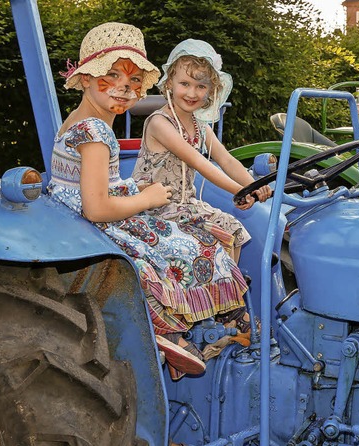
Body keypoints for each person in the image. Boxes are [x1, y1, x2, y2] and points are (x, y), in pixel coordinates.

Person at [47, 23, 249, 381]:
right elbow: (96, 208)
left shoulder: (90, 123)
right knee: (179, 248)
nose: (125, 89)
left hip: (99, 207)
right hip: (93, 218)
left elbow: (221, 158)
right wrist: (147, 199)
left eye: (135, 81)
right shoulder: (94, 131)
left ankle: (193, 326)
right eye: (112, 76)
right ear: (86, 78)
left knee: (186, 242)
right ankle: (165, 331)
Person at [130, 39, 272, 266]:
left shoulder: (201, 127)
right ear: (169, 84)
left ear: (211, 90)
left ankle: (228, 293)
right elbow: (198, 162)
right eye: (184, 84)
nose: (192, 93)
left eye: (201, 86)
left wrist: (257, 185)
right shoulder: (160, 123)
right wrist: (241, 190)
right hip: (152, 206)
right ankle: (215, 290)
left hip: (185, 206)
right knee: (207, 242)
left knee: (232, 230)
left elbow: (226, 159)